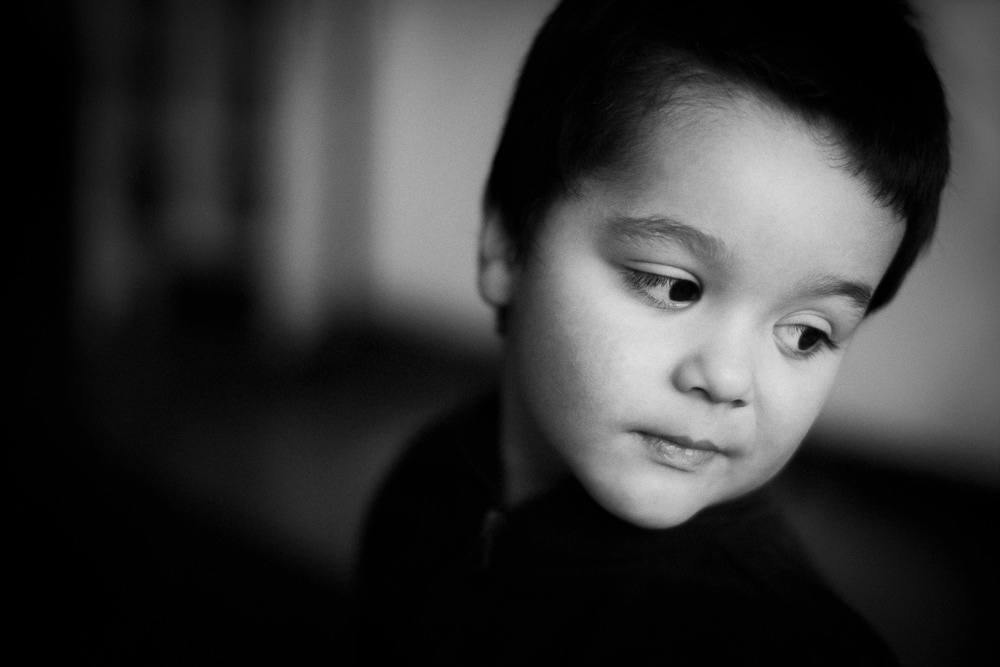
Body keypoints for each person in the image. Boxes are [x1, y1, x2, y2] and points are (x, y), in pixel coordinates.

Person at [358, 0, 950, 663]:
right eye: (673, 287)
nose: (728, 379)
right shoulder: (431, 485)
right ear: (506, 245)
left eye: (806, 334)